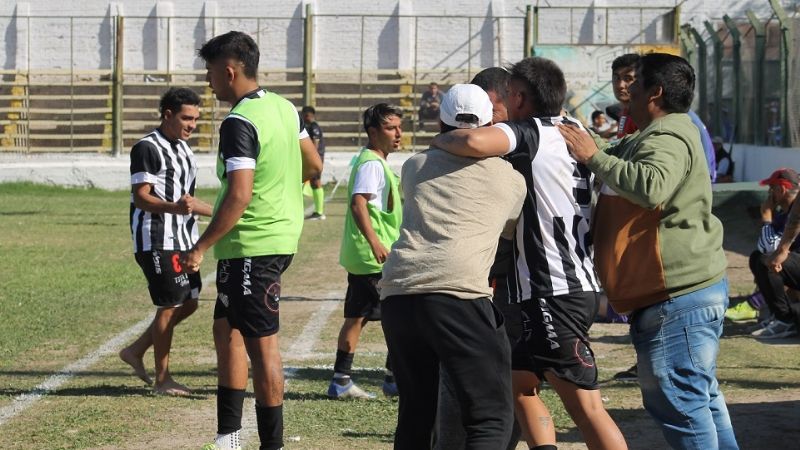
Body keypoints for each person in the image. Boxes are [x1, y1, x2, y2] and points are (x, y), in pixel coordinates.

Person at [432, 57, 627, 450]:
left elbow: (471, 141)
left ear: (518, 97)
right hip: (562, 283)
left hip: (552, 289)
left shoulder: (530, 132)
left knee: (586, 407)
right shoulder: (576, 131)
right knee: (520, 384)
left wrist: (441, 138)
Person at [559, 52, 739, 449]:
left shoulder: (668, 135)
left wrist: (592, 155)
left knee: (680, 401)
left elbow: (651, 184)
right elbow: (620, 155)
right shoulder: (652, 134)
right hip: (679, 293)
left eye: (633, 82)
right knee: (700, 400)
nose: (625, 89)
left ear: (655, 92)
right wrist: (592, 148)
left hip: (677, 294)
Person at [183, 31, 321, 450]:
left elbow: (240, 194)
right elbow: (313, 163)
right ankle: (228, 437)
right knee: (227, 332)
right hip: (263, 242)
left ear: (229, 70)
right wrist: (279, 192)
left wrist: (200, 246)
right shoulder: (283, 107)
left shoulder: (240, 121)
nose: (207, 82)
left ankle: (271, 445)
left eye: (209, 72)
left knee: (263, 347)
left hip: (253, 246)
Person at [380, 83, 526, 450]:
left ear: (440, 120)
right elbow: (509, 230)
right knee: (490, 417)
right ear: (488, 122)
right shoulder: (509, 179)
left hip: (400, 292)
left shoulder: (414, 167)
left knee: (416, 411)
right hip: (459, 292)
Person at [434, 66, 523, 450]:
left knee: (506, 388)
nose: (480, 128)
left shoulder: (519, 146)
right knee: (459, 385)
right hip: (473, 285)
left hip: (514, 284)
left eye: (490, 112)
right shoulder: (472, 150)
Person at [121, 87, 213, 396]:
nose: (192, 125)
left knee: (189, 302)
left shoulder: (185, 149)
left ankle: (135, 350)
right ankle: (163, 380)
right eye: (187, 118)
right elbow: (142, 196)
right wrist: (173, 208)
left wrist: (224, 212)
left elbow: (186, 199)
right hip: (157, 238)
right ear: (168, 115)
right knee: (171, 305)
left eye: (196, 119)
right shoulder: (147, 147)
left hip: (185, 237)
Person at [327, 103, 403, 399]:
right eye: (390, 128)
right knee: (400, 317)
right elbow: (359, 203)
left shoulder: (372, 160)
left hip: (365, 257)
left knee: (357, 317)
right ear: (373, 132)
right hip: (375, 257)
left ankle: (341, 380)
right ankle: (395, 380)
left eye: (399, 127)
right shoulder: (372, 163)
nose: (398, 134)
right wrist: (375, 242)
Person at [744, 169, 800, 338]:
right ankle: (780, 316)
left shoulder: (793, 212)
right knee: (757, 258)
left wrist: (766, 215)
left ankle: (785, 321)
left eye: (771, 189)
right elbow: (764, 248)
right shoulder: (785, 213)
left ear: (781, 190)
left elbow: (770, 248)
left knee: (764, 262)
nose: (769, 194)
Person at [302, 105, 327, 220]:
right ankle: (318, 211)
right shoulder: (309, 126)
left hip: (316, 158)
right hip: (315, 158)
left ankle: (319, 212)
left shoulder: (314, 126)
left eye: (304, 115)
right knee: (313, 183)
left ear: (309, 115)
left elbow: (315, 143)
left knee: (316, 182)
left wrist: (311, 157)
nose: (302, 117)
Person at [608, 53, 640, 140]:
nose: (620, 85)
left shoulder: (642, 116)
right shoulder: (625, 111)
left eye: (628, 79)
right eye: (616, 78)